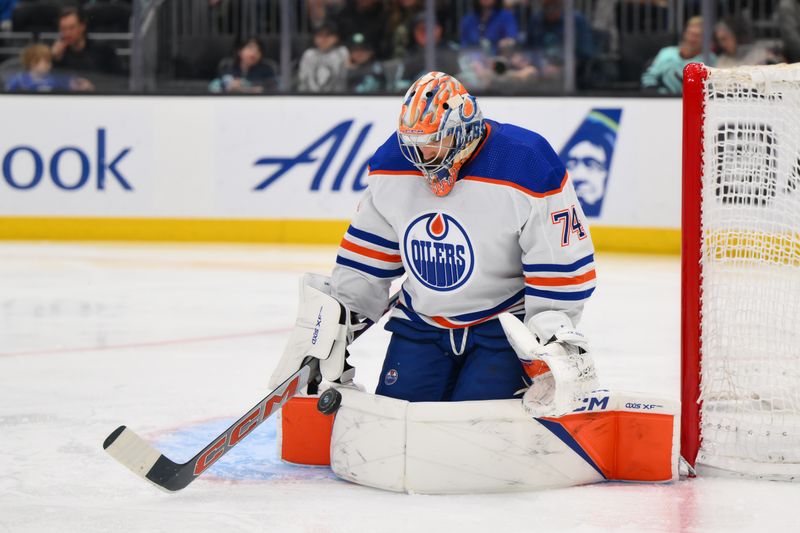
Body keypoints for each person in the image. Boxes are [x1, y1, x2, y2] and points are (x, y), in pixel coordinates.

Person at [270, 71, 597, 406]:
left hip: (502, 328)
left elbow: (559, 265)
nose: (422, 154)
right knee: (397, 427)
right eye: (414, 143)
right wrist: (329, 335)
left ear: (464, 130)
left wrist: (551, 342)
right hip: (421, 325)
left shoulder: (525, 162)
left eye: (433, 142)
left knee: (477, 432)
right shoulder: (391, 166)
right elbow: (366, 262)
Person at [641, 16, 716, 94]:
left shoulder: (710, 59)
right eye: (690, 33)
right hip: (662, 99)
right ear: (684, 34)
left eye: (697, 36)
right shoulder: (667, 52)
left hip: (694, 101)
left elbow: (711, 88)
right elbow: (649, 77)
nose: (692, 39)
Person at [51, 7, 122, 77]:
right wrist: (53, 58)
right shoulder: (58, 54)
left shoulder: (104, 52)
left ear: (82, 26)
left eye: (71, 28)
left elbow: (119, 79)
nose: (67, 33)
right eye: (63, 29)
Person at [5, 43, 92, 92]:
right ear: (33, 63)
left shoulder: (53, 79)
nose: (50, 65)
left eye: (50, 61)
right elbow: (7, 94)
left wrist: (81, 85)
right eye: (46, 61)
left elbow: (69, 84)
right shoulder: (18, 79)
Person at [209, 37, 278, 93]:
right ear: (239, 51)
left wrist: (252, 89)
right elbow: (213, 87)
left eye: (258, 50)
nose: (254, 53)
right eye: (250, 48)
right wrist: (228, 87)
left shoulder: (267, 70)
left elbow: (274, 88)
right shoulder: (227, 68)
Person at [298, 20, 349, 92]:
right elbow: (303, 80)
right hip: (311, 98)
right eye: (320, 35)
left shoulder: (342, 52)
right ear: (314, 38)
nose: (324, 39)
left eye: (328, 35)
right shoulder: (309, 55)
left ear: (336, 38)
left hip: (337, 98)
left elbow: (346, 77)